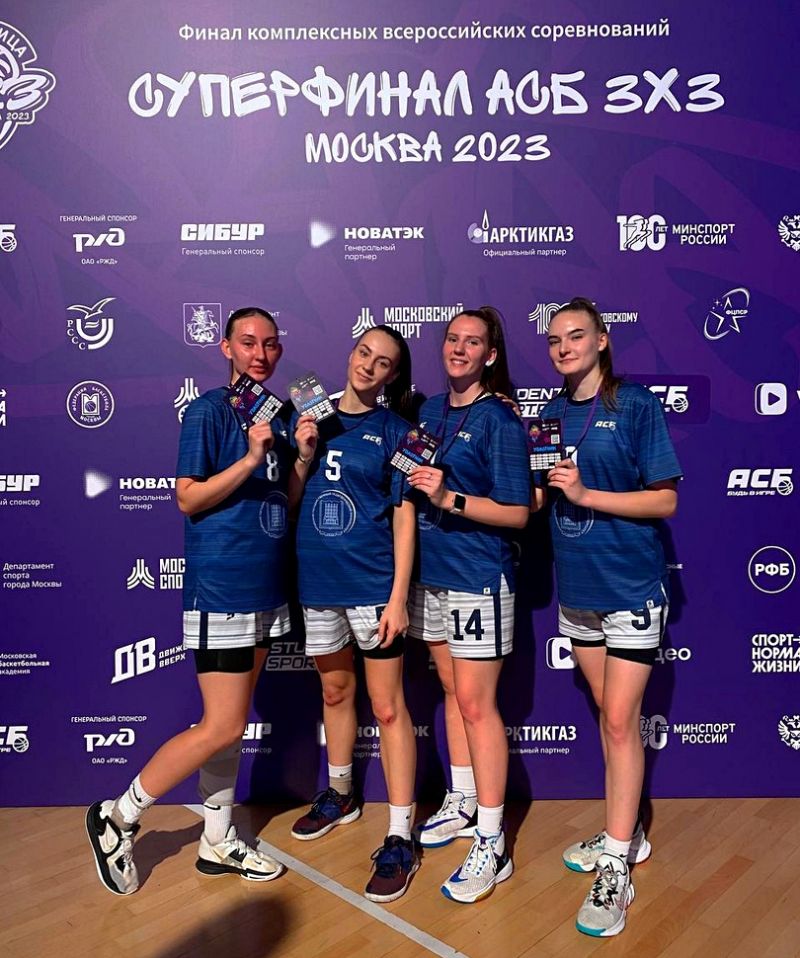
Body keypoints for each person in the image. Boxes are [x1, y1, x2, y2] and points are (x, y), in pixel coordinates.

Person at [86, 307, 291, 894]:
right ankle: (118, 815)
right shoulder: (207, 410)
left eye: (269, 344)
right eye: (247, 342)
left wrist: (297, 454)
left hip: (265, 587)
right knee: (221, 724)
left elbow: (286, 497)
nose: (259, 354)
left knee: (232, 725)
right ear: (226, 347)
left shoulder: (279, 415)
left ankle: (217, 839)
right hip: (222, 586)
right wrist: (248, 458)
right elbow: (187, 498)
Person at [536, 297, 681, 938]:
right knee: (609, 716)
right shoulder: (549, 413)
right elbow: (536, 495)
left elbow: (665, 500)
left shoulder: (635, 405)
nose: (563, 347)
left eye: (575, 336)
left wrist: (586, 493)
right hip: (578, 591)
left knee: (621, 721)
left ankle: (617, 863)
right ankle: (626, 832)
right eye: (554, 340)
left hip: (631, 588)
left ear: (601, 340)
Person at [290, 325, 419, 903]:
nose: (369, 365)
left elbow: (404, 517)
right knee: (335, 692)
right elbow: (291, 501)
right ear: (350, 354)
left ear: (393, 374)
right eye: (364, 353)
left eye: (383, 361)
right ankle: (340, 794)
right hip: (319, 585)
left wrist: (398, 596)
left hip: (372, 587)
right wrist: (302, 455)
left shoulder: (397, 431)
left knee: (388, 707)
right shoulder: (312, 420)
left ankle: (400, 835)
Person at [406, 307, 530, 903]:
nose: (458, 349)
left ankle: (492, 840)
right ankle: (462, 798)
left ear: (490, 355)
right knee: (453, 692)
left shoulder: (500, 419)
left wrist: (450, 498)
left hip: (478, 577)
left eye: (472, 342)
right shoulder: (429, 410)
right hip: (430, 576)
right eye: (452, 339)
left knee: (478, 705)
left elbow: (518, 513)